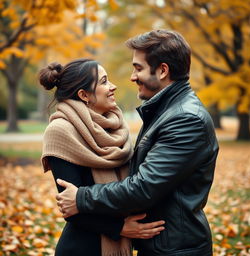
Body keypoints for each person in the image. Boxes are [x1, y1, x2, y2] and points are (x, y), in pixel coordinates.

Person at [56, 30, 219, 256]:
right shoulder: (164, 110)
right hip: (163, 244)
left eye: (138, 68)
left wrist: (81, 198)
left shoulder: (184, 119)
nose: (132, 77)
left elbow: (143, 187)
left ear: (162, 70)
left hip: (176, 249)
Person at [39, 58, 165, 256]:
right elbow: (70, 207)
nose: (112, 86)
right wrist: (119, 227)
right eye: (104, 81)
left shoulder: (115, 126)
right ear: (84, 95)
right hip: (82, 248)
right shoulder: (60, 131)